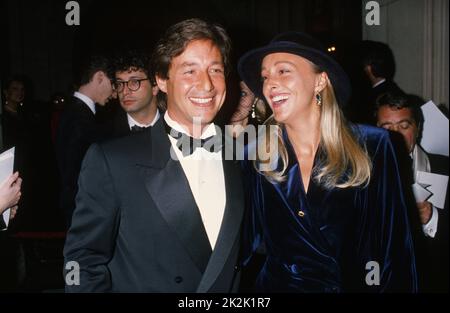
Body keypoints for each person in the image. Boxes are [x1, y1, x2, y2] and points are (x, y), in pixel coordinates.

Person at [63, 18, 244, 292]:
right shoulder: (111, 161)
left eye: (215, 70)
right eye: (189, 71)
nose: (206, 85)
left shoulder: (243, 157)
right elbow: (82, 261)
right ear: (161, 79)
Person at [237, 31, 417, 292]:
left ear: (320, 81)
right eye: (265, 77)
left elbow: (394, 249)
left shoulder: (373, 146)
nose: (269, 85)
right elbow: (240, 245)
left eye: (283, 71)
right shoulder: (253, 154)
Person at [375, 92, 448, 292]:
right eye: (386, 127)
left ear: (418, 129)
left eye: (404, 126)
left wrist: (432, 218)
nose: (395, 135)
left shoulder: (444, 169)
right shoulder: (361, 173)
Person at [55, 55, 115, 229]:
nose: (114, 93)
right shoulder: (79, 117)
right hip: (82, 208)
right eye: (113, 84)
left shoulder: (77, 112)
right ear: (100, 77)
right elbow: (74, 170)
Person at [108, 50, 160, 137]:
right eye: (120, 84)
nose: (124, 92)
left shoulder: (181, 128)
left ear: (155, 87)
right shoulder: (104, 137)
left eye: (134, 82)